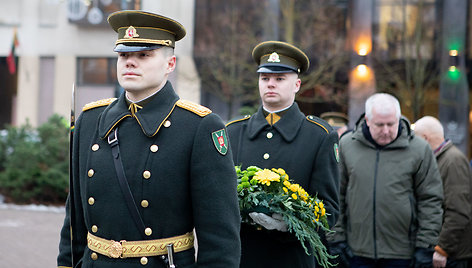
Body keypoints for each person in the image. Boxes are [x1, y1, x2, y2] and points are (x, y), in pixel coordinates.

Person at [57, 10, 241, 268]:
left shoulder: (199, 127)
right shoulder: (90, 120)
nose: (130, 62)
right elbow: (74, 219)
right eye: (124, 55)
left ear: (170, 64)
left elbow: (220, 238)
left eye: (144, 55)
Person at [226, 40, 340, 268]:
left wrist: (290, 223)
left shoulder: (319, 136)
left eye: (279, 79)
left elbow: (329, 210)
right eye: (265, 78)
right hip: (243, 257)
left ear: (297, 84)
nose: (270, 85)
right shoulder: (233, 131)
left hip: (292, 258)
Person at [329, 93, 443, 268]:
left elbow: (430, 200)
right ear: (367, 120)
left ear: (398, 118)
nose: (386, 130)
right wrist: (336, 239)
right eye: (379, 125)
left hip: (403, 254)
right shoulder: (347, 145)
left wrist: (425, 247)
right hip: (356, 253)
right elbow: (336, 195)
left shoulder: (419, 150)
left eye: (391, 124)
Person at [414, 116, 472, 268]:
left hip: (452, 254)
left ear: (425, 138)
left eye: (415, 139)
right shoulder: (441, 159)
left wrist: (443, 249)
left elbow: (458, 210)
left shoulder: (453, 161)